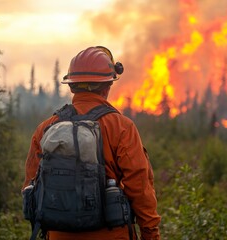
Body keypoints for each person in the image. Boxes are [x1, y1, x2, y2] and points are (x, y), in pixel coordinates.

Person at [22, 46, 161, 240]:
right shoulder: (121, 127)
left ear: (71, 86)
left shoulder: (46, 128)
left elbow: (30, 188)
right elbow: (140, 189)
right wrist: (150, 235)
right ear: (107, 86)